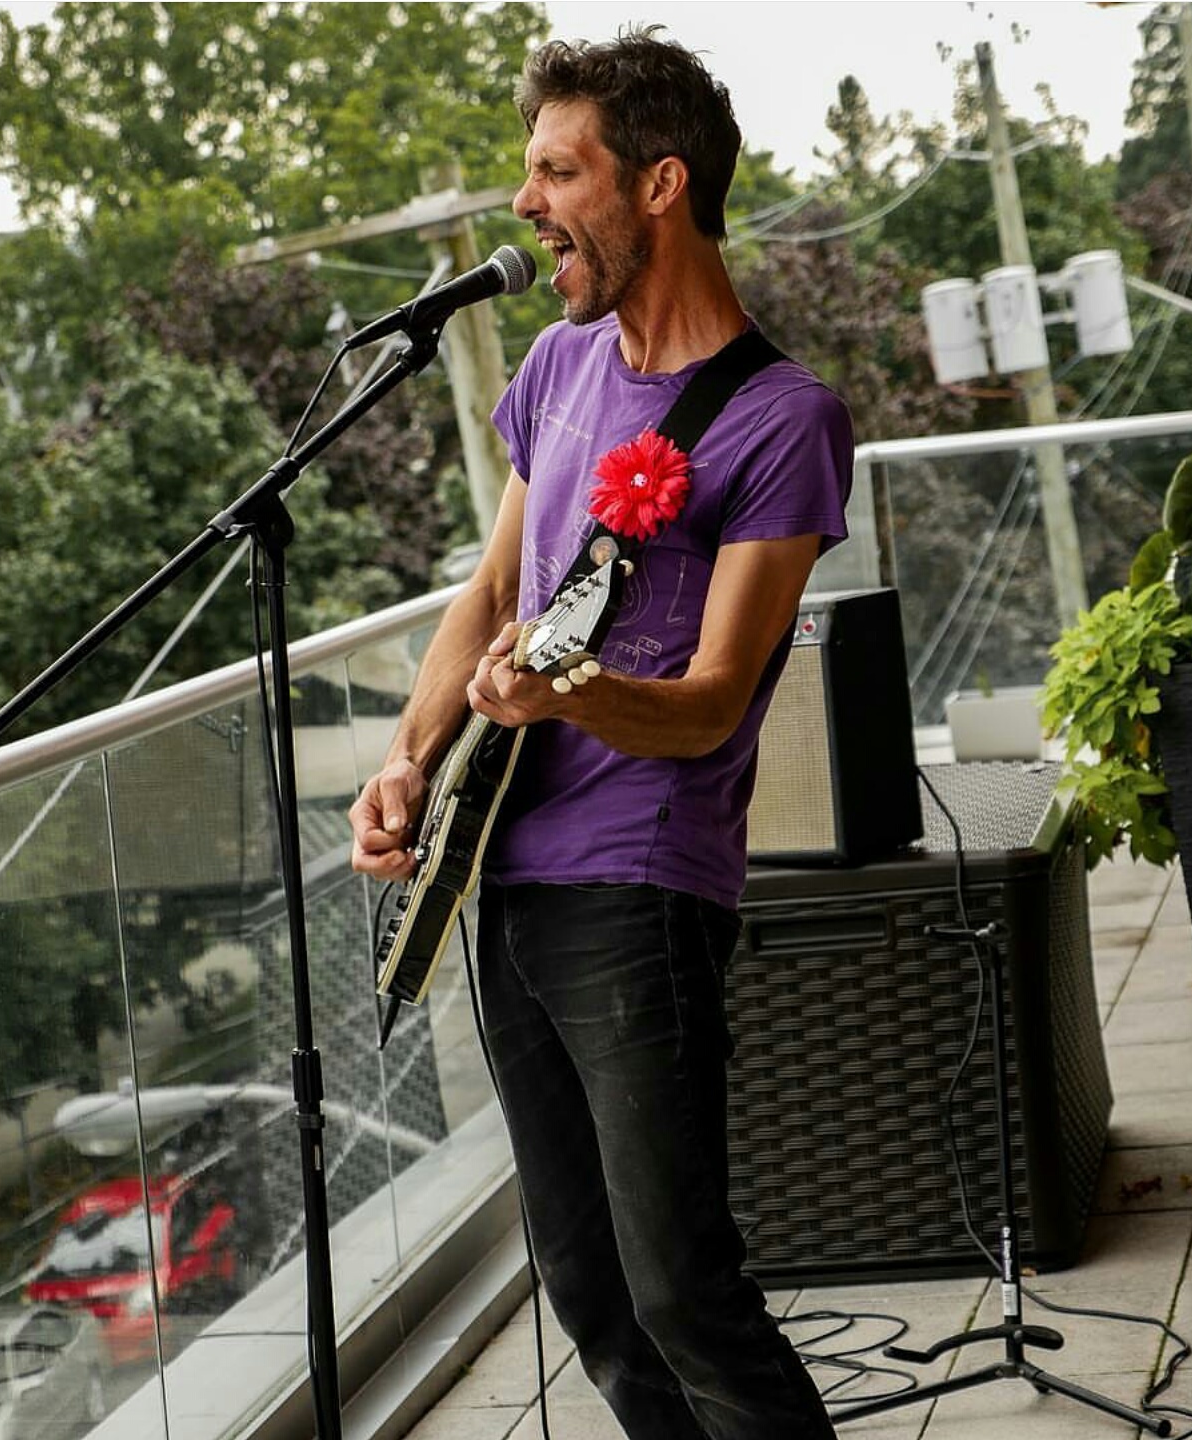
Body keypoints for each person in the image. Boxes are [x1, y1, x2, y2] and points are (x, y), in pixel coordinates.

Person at [350, 28, 852, 1440]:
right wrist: (406, 757)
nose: (526, 204)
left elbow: (707, 704)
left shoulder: (784, 418)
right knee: (587, 1292)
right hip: (501, 869)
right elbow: (496, 590)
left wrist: (572, 694)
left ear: (658, 186)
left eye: (557, 170)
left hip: (640, 887)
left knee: (685, 1291)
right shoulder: (561, 370)